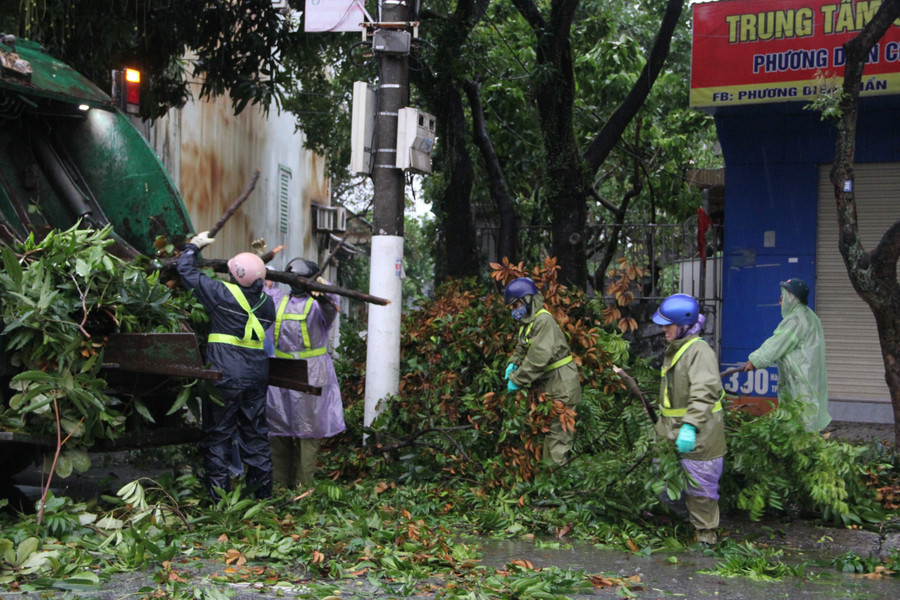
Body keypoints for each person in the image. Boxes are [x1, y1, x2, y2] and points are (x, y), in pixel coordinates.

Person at [177, 231, 276, 500]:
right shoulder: (268, 305)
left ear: (234, 275)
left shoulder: (221, 293)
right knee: (255, 436)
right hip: (256, 376)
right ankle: (261, 497)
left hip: (225, 374)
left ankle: (219, 500)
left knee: (218, 435)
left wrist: (192, 248)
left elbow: (186, 272)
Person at [265, 257, 345, 488]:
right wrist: (262, 262)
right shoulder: (278, 299)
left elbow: (332, 303)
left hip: (310, 372)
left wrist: (323, 289)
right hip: (281, 372)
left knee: (306, 431)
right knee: (277, 428)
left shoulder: (319, 304)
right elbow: (259, 285)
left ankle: (303, 490)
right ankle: (280, 487)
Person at [652, 293, 725, 546]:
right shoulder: (679, 349)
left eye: (668, 325)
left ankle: (707, 540)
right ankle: (686, 528)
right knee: (665, 485)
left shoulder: (699, 352)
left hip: (701, 437)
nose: (663, 329)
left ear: (684, 325)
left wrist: (690, 427)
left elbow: (704, 393)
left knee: (701, 493)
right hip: (673, 435)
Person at [503, 277, 581, 466]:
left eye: (516, 305)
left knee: (557, 441)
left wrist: (517, 379)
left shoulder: (543, 320)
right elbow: (523, 346)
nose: (514, 311)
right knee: (547, 439)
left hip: (561, 384)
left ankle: (555, 488)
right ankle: (548, 484)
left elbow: (538, 358)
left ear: (528, 300)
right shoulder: (528, 321)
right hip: (550, 385)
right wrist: (513, 363)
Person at [743, 278, 830, 432]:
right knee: (805, 418)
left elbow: (777, 343)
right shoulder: (810, 316)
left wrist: (755, 360)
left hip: (800, 379)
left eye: (782, 298)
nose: (779, 302)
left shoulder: (796, 320)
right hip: (808, 378)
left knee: (800, 422)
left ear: (792, 298)